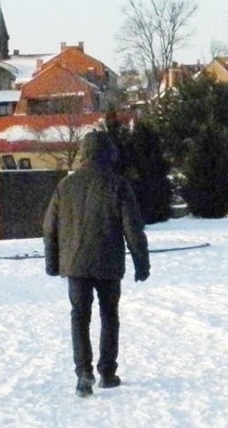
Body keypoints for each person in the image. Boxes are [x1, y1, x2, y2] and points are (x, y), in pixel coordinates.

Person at [43, 131, 150, 398]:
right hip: (108, 263)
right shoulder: (118, 185)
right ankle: (107, 372)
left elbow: (49, 228)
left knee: (79, 316)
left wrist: (52, 262)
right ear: (108, 154)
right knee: (109, 315)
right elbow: (133, 228)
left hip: (75, 264)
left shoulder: (66, 186)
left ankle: (83, 372)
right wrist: (141, 262)